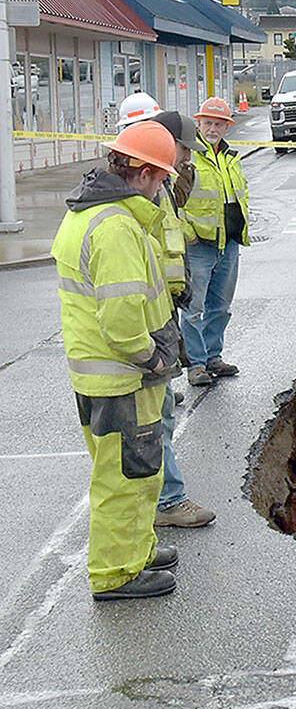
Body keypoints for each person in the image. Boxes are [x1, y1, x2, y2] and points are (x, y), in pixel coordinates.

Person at [50, 121, 182, 600]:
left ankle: (138, 549)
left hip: (99, 376)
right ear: (143, 173)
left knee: (136, 471)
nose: (164, 186)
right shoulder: (116, 228)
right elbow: (123, 318)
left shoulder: (87, 214)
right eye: (162, 176)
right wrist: (152, 358)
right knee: (125, 479)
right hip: (124, 377)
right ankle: (116, 573)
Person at [153, 110, 218, 528]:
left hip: (162, 314)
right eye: (182, 150)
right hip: (148, 324)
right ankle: (166, 502)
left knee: (158, 417)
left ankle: (161, 501)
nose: (185, 159)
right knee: (154, 422)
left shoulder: (161, 189)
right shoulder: (141, 197)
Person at [182, 97, 250, 385]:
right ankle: (196, 365)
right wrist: (189, 233)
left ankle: (213, 357)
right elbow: (176, 202)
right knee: (194, 308)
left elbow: (239, 196)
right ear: (199, 123)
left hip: (229, 243)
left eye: (218, 124)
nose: (212, 128)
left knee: (220, 307)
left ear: (226, 126)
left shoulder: (230, 157)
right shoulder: (189, 156)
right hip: (200, 245)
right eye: (208, 122)